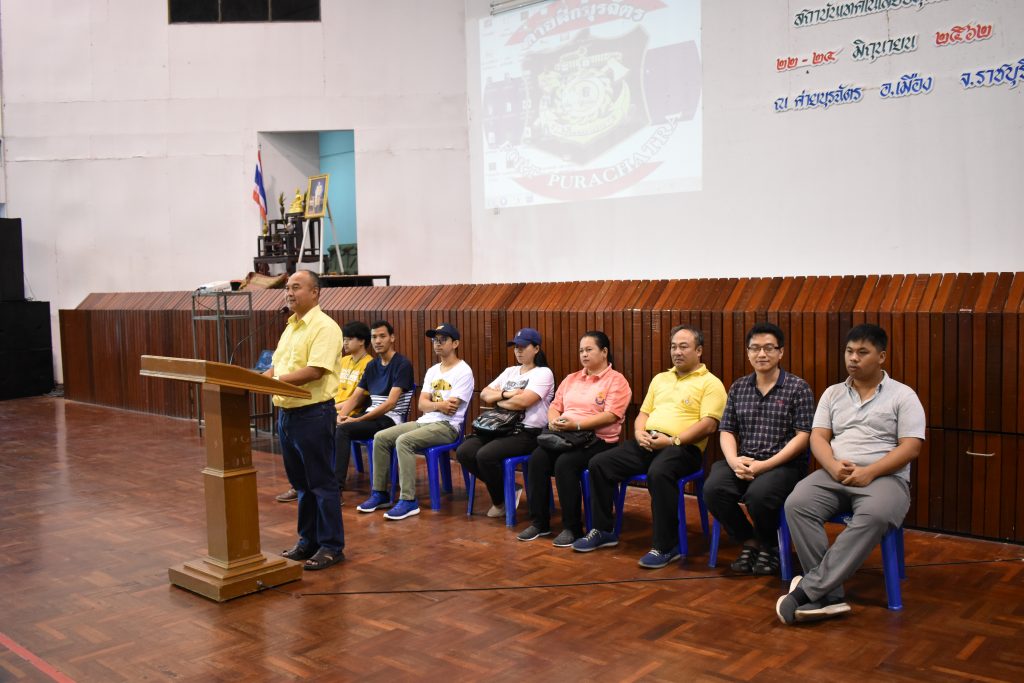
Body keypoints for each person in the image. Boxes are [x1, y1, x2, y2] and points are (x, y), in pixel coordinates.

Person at [776, 323, 925, 625]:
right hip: (836, 473)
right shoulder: (833, 393)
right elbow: (818, 437)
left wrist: (870, 472)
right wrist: (831, 466)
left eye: (862, 352)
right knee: (797, 504)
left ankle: (810, 590)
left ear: (881, 356)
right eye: (849, 351)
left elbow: (911, 447)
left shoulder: (903, 395)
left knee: (875, 516)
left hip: (884, 477)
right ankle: (831, 595)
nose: (853, 358)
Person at [574, 325, 726, 569]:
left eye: (684, 346)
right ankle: (603, 530)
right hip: (649, 441)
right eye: (673, 347)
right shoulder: (660, 379)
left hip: (683, 448)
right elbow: (643, 414)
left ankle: (666, 546)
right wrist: (638, 433)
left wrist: (673, 441)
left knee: (659, 472)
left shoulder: (711, 383)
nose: (677, 352)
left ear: (699, 350)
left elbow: (709, 425)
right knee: (599, 463)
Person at [703, 322, 815, 575]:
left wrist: (765, 465)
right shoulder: (739, 387)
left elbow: (803, 436)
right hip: (745, 460)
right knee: (713, 489)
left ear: (781, 352)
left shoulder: (798, 388)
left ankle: (770, 545)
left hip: (783, 465)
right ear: (748, 352)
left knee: (759, 495)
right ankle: (750, 540)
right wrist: (733, 461)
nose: (761, 354)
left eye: (768, 348)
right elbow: (727, 430)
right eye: (755, 348)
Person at [516, 331, 631, 547]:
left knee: (565, 463)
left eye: (589, 350)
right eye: (581, 351)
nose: (584, 354)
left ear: (604, 352)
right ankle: (540, 522)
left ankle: (572, 527)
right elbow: (555, 406)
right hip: (565, 435)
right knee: (537, 459)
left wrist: (577, 425)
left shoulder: (616, 380)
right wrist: (553, 421)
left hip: (599, 440)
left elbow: (611, 415)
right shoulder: (571, 378)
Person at [265, 270, 345, 571]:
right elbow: (276, 368)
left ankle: (331, 546)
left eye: (296, 287)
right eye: (287, 287)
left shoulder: (325, 327)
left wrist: (272, 382)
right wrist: (251, 380)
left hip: (313, 414)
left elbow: (314, 371)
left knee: (321, 483)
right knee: (301, 485)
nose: (289, 292)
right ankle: (307, 541)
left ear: (315, 292)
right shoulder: (290, 328)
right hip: (287, 415)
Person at [357, 323, 474, 520]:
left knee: (404, 441)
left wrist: (433, 405)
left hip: (447, 426)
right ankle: (380, 493)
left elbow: (451, 408)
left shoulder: (463, 371)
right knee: (381, 437)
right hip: (425, 421)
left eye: (443, 340)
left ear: (455, 343)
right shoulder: (433, 370)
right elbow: (421, 404)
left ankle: (408, 500)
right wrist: (438, 405)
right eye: (435, 340)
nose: (437, 344)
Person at [456, 328, 555, 519]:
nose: (518, 351)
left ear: (536, 348)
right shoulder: (510, 371)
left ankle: (500, 501)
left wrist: (498, 400)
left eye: (523, 347)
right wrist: (507, 394)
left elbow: (524, 402)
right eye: (516, 347)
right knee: (464, 451)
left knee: (485, 455)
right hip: (500, 428)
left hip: (528, 432)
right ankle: (508, 488)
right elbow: (485, 394)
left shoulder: (543, 373)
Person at [275, 320, 373, 503]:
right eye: (344, 339)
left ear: (362, 341)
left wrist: (334, 410)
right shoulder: (343, 361)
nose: (345, 343)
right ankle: (300, 485)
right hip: (329, 406)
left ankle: (334, 488)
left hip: (347, 411)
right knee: (298, 428)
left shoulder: (369, 364)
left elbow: (359, 399)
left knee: (330, 428)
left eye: (349, 339)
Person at [330, 320, 415, 499]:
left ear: (392, 338)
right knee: (327, 423)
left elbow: (390, 403)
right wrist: (341, 415)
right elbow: (355, 397)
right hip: (371, 416)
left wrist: (357, 419)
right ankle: (319, 481)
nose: (377, 341)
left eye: (382, 336)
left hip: (390, 419)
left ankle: (335, 489)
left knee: (343, 430)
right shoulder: (372, 366)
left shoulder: (402, 364)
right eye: (374, 337)